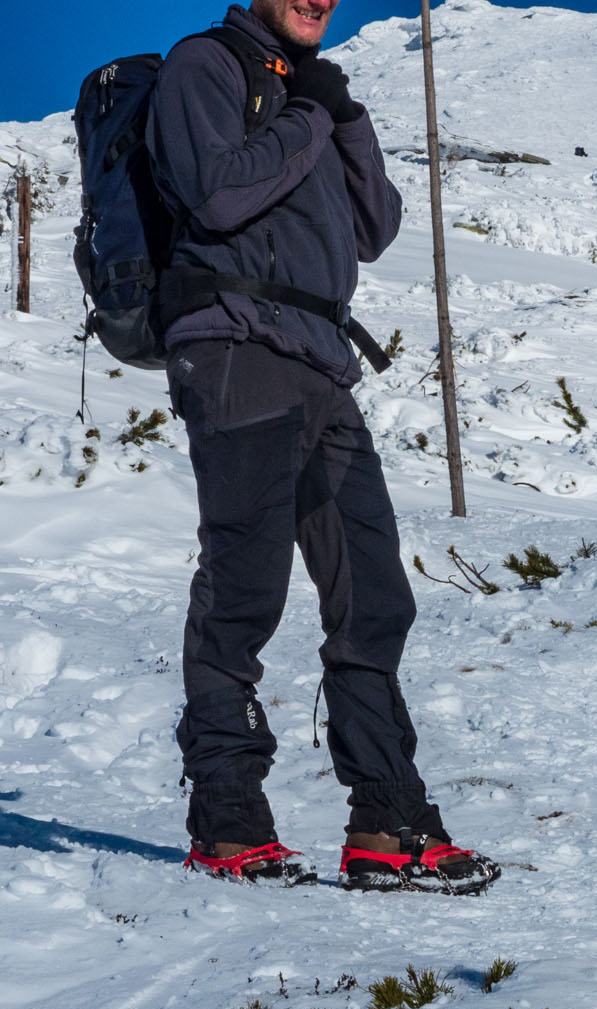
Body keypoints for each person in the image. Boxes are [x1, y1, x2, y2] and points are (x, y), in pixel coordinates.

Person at [148, 0, 498, 894]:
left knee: (375, 595)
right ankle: (228, 820)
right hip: (235, 350)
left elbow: (374, 226)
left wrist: (345, 113)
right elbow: (218, 191)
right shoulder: (206, 65)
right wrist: (308, 115)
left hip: (320, 366)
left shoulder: (306, 94)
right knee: (245, 587)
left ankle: (385, 817)